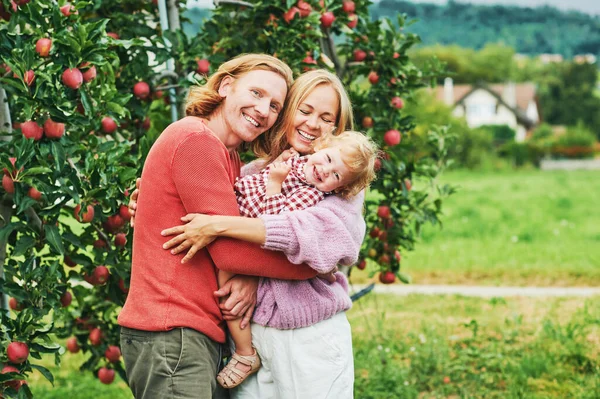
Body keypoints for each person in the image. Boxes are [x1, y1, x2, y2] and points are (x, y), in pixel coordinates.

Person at [130, 69, 369, 398]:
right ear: (286, 113)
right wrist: (156, 197)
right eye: (305, 110)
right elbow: (222, 218)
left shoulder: (340, 186)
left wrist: (250, 272)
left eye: (326, 118)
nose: (313, 124)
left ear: (336, 129)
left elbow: (321, 248)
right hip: (253, 335)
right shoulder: (252, 171)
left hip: (307, 331)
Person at [214, 131, 377, 388]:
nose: (325, 170)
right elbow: (240, 181)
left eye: (336, 175)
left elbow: (274, 225)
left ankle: (244, 352)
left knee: (225, 278)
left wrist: (274, 184)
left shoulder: (312, 195)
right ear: (319, 148)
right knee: (224, 283)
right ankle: (236, 345)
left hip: (300, 327)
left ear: (341, 188)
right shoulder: (294, 162)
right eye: (326, 158)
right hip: (240, 241)